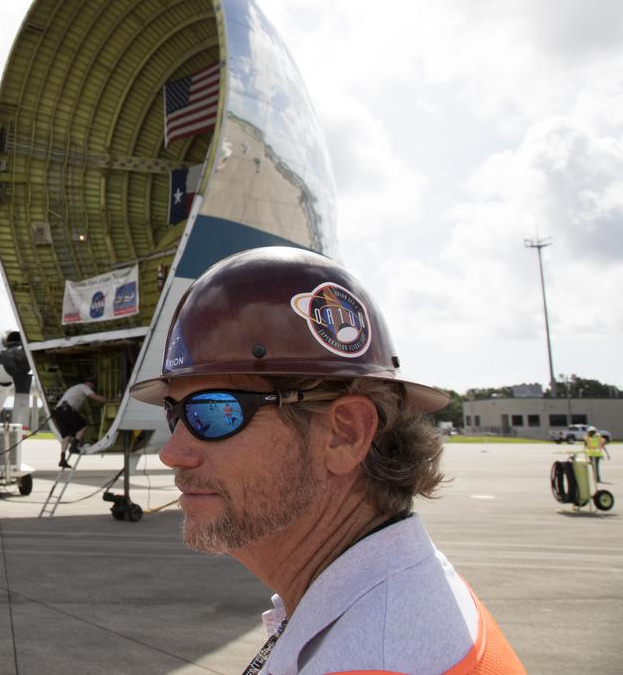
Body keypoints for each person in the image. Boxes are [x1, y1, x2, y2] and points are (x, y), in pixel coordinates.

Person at [129, 247, 525, 673]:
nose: (172, 454)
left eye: (214, 411)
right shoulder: (402, 592)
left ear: (344, 434)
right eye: (174, 413)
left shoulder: (376, 660)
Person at [53, 377, 108, 468]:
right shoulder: (83, 387)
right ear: (89, 383)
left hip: (59, 409)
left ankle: (62, 459)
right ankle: (74, 446)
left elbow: (67, 403)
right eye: (92, 387)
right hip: (65, 408)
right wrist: (110, 401)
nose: (92, 389)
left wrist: (70, 409)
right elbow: (95, 397)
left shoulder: (75, 388)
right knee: (83, 425)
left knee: (67, 435)